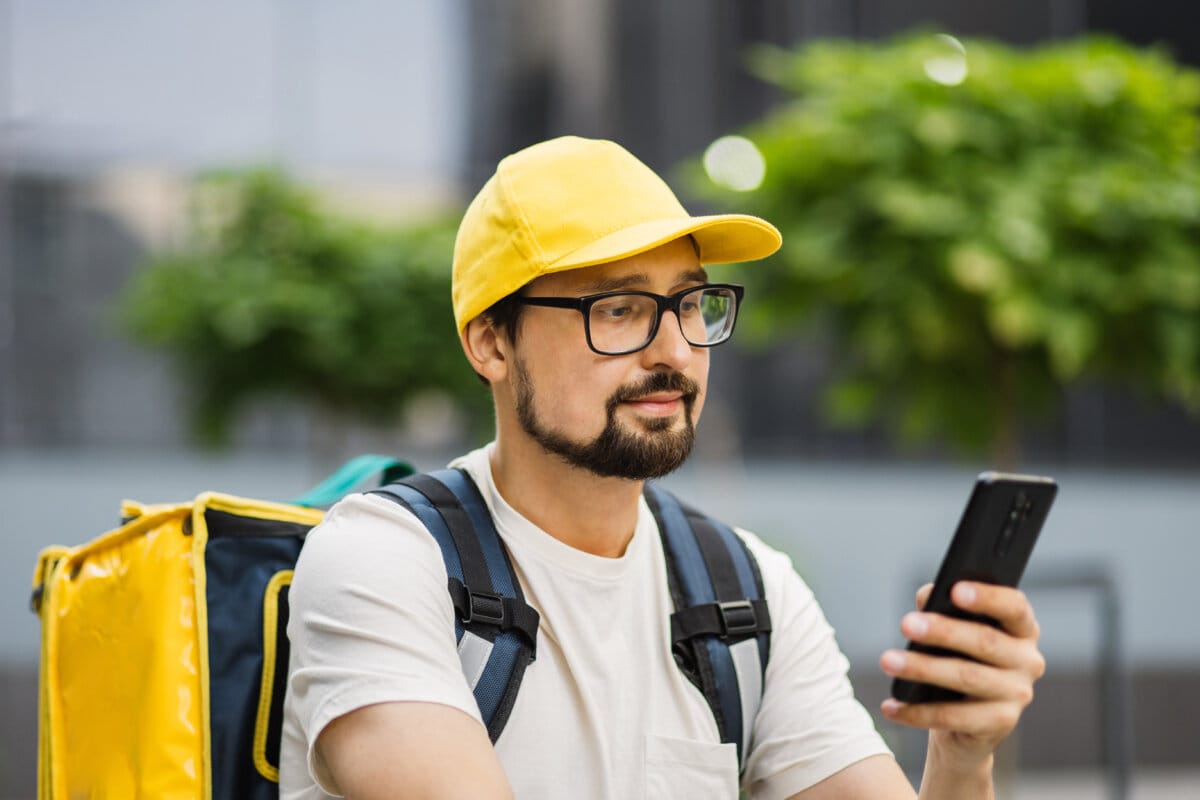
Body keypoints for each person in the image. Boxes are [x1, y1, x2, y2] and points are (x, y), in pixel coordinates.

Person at [280, 136, 1046, 799]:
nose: (676, 352)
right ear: (491, 344)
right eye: (617, 309)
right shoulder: (382, 561)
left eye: (690, 304)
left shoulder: (745, 590)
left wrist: (960, 752)